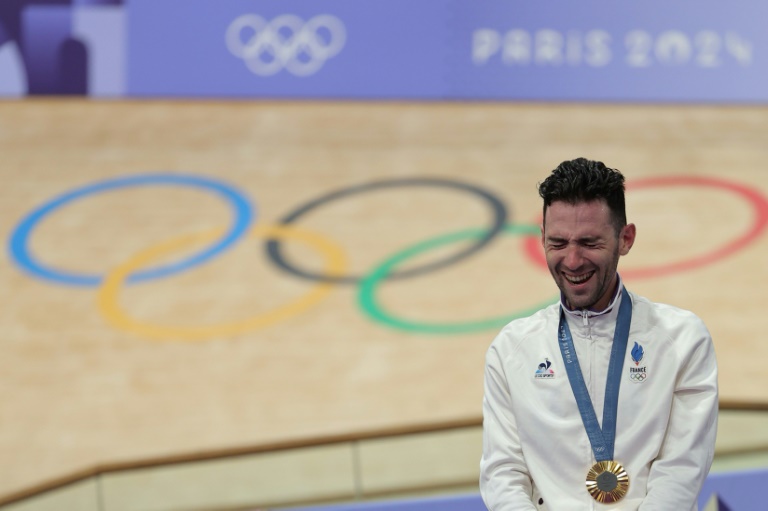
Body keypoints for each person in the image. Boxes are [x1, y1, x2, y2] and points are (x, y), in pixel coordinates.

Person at [479, 158, 718, 510]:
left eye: (589, 243)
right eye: (558, 243)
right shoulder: (511, 350)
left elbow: (682, 471)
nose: (573, 261)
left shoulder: (683, 340)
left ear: (626, 238)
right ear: (542, 238)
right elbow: (503, 473)